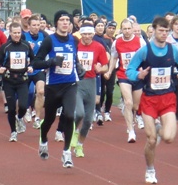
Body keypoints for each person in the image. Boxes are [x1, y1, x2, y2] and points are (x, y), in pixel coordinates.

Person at [125, 16, 178, 184]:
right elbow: (129, 70)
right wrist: (139, 74)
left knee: (168, 138)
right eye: (161, 30)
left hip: (168, 98)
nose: (163, 34)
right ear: (153, 30)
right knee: (151, 140)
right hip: (150, 99)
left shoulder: (172, 50)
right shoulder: (145, 51)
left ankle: (160, 129)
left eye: (166, 31)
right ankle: (150, 169)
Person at [32, 10, 80, 168]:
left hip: (70, 84)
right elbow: (36, 62)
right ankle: (44, 139)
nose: (65, 22)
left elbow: (74, 59)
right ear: (56, 23)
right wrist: (51, 61)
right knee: (50, 119)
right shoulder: (49, 41)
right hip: (53, 86)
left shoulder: (74, 40)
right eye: (62, 20)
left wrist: (79, 67)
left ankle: (66, 153)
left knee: (69, 115)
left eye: (68, 20)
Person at [71, 19, 109, 156]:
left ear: (93, 34)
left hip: (91, 82)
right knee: (79, 113)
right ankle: (74, 131)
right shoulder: (75, 46)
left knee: (88, 119)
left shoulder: (98, 47)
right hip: (77, 82)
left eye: (89, 34)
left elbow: (105, 66)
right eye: (84, 34)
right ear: (81, 34)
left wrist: (101, 69)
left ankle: (80, 145)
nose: (87, 37)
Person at [0, 21, 34, 141]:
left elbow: (33, 59)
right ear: (10, 33)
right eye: (14, 33)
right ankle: (13, 132)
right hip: (9, 80)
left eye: (19, 32)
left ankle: (20, 118)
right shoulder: (5, 47)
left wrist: (31, 66)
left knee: (22, 105)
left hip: (22, 80)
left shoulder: (26, 45)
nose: (17, 35)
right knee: (11, 108)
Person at [108, 18, 144, 143]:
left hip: (138, 76)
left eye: (129, 28)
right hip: (124, 76)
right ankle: (131, 131)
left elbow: (147, 57)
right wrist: (109, 71)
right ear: (121, 29)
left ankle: (131, 116)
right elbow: (113, 57)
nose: (127, 31)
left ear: (133, 29)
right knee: (128, 102)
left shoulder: (140, 41)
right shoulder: (117, 42)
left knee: (135, 105)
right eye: (125, 29)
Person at [22, 14, 46, 127]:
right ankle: (26, 109)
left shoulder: (44, 36)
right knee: (29, 92)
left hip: (38, 68)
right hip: (26, 69)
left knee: (40, 92)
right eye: (34, 25)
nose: (36, 27)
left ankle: (37, 117)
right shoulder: (23, 36)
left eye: (38, 25)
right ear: (29, 26)